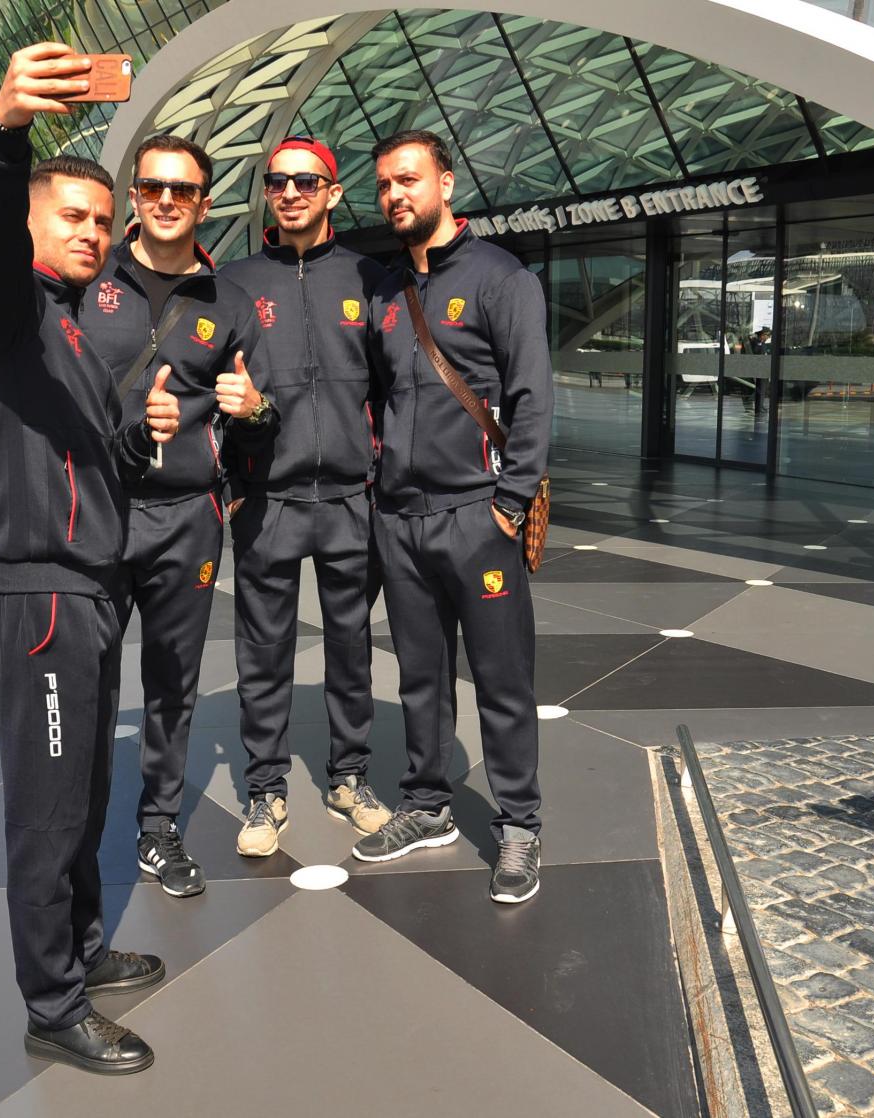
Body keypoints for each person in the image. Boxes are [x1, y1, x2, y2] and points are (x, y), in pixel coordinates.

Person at [0, 43, 181, 1075]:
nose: (94, 232)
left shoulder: (69, 331)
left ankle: (83, 950)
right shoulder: (10, 311)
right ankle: (51, 1003)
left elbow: (85, 464)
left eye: (103, 220)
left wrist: (139, 438)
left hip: (88, 591)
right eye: (74, 217)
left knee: (85, 789)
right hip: (41, 594)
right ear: (30, 225)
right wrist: (4, 134)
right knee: (47, 810)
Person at [357, 130, 551, 903]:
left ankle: (519, 825)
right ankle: (426, 805)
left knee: (501, 680)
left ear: (445, 183)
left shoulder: (501, 278)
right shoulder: (384, 291)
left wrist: (510, 503)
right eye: (384, 185)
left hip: (478, 515)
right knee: (420, 677)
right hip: (400, 517)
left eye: (408, 179)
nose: (395, 195)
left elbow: (531, 395)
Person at [82, 132, 266, 899]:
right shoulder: (88, 279)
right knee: (87, 681)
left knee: (172, 683)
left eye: (182, 190)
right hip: (94, 511)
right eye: (152, 186)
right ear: (133, 195)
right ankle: (76, 831)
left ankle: (158, 827)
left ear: (204, 203)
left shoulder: (229, 303)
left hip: (187, 518)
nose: (165, 200)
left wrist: (256, 408)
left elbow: (261, 414)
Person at [217, 135, 391, 857]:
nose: (290, 192)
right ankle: (265, 789)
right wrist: (229, 483)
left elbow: (396, 385)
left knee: (351, 648)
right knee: (263, 651)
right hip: (268, 499)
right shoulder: (234, 282)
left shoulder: (370, 277)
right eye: (278, 181)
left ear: (333, 193)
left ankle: (350, 777)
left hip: (352, 495)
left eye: (306, 181)